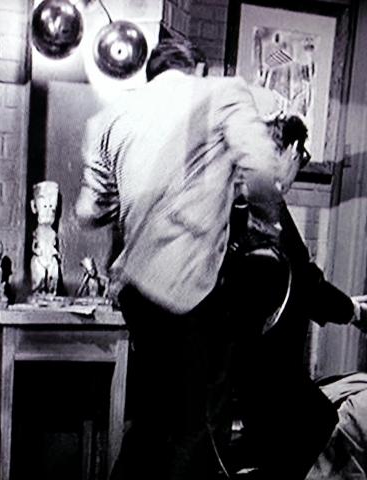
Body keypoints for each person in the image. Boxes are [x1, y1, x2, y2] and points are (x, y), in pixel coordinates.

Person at [75, 37, 287, 480]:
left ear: (152, 73)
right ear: (196, 68)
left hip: (135, 292)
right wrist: (268, 225)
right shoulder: (220, 93)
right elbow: (262, 169)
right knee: (192, 426)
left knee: (153, 422)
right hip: (187, 291)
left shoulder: (109, 117)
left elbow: (89, 212)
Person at [226, 112, 367, 480]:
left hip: (243, 372)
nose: (298, 169)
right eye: (301, 158)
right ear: (290, 149)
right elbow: (305, 281)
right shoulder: (263, 203)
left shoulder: (237, 197)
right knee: (319, 425)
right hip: (265, 375)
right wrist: (353, 311)